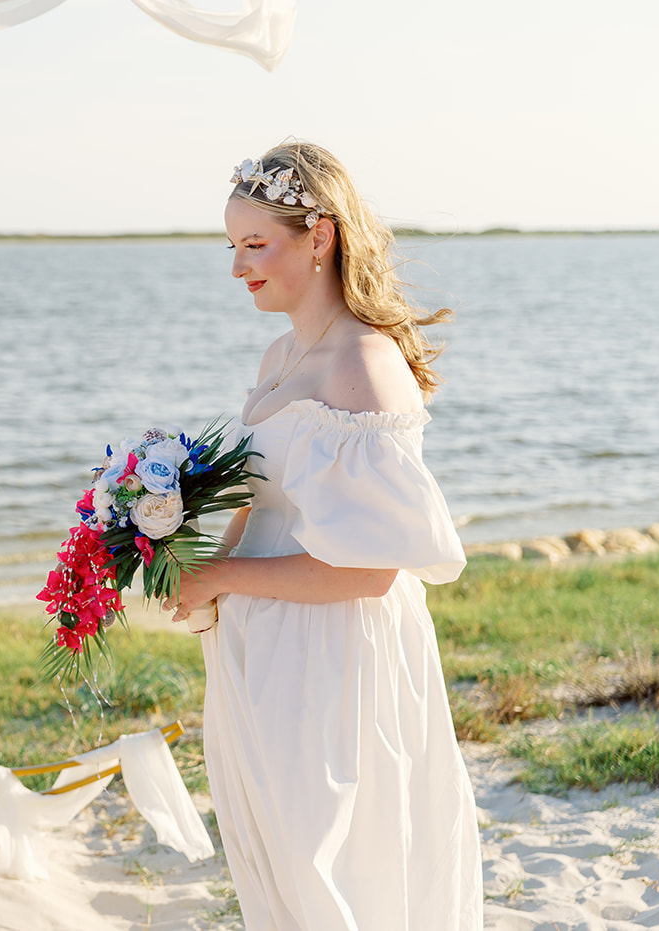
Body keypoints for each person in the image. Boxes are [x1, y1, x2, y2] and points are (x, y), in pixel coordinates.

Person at [168, 141, 481, 929]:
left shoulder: (364, 367)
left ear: (320, 236)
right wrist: (197, 559)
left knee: (335, 869)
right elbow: (263, 493)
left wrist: (226, 580)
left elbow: (371, 572)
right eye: (233, 246)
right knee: (279, 861)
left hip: (336, 658)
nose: (238, 267)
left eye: (255, 245)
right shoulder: (281, 353)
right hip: (264, 647)